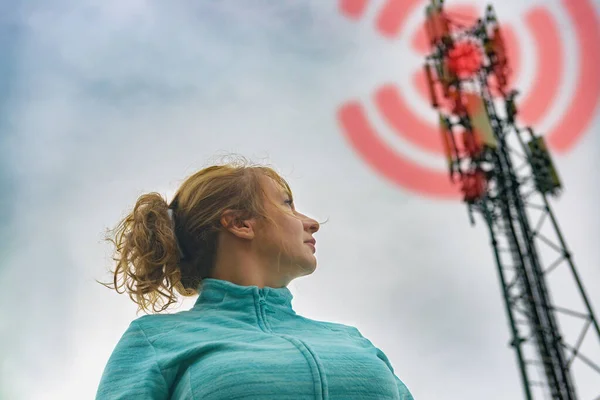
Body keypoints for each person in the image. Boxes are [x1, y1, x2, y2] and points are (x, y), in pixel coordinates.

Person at [96, 156, 414, 399]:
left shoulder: (351, 339)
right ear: (240, 224)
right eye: (288, 205)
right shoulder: (155, 339)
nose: (312, 223)